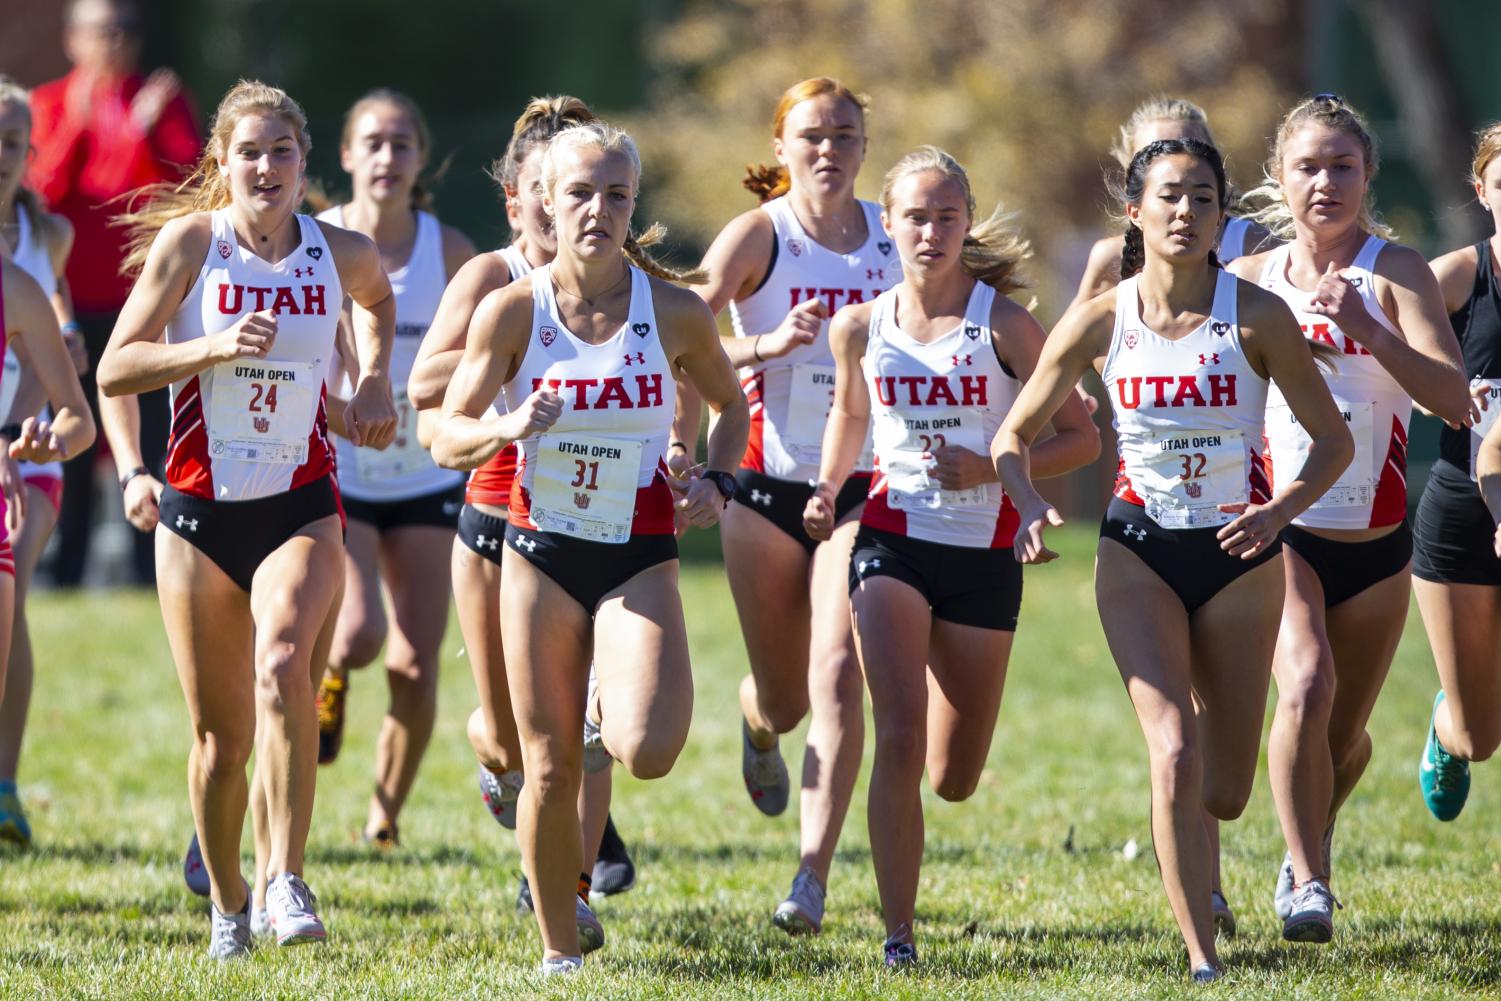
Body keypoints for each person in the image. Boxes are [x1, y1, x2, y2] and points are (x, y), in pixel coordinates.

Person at [994, 138, 1352, 981]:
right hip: (1137, 549)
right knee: (1173, 751)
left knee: (1222, 789)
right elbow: (1012, 435)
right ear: (1134, 211)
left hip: (1240, 553)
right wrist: (1029, 505)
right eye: (1167, 196)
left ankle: (1219, 862)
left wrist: (1279, 510)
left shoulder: (1256, 316)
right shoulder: (1100, 317)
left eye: (1201, 197)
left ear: (1222, 214)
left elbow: (1332, 443)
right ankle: (1201, 959)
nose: (1184, 212)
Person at [431, 120, 748, 975]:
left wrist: (716, 483)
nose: (597, 210)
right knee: (546, 766)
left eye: (616, 195)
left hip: (637, 548)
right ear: (544, 201)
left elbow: (731, 407)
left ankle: (607, 706)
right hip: (537, 551)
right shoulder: (511, 310)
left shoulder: (672, 308)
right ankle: (559, 953)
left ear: (633, 205)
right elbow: (443, 430)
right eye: (579, 192)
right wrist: (505, 424)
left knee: (646, 748)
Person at [97, 80, 397, 958]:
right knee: (220, 743)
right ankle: (229, 895)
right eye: (249, 153)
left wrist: (373, 377)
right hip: (198, 510)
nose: (267, 167)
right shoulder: (195, 243)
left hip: (301, 501)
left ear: (307, 161)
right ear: (222, 164)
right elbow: (117, 367)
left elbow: (376, 302)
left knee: (283, 665)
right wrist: (212, 347)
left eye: (282, 151)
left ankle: (284, 876)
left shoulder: (338, 251)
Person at [804, 147, 1098, 965]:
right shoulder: (859, 325)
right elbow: (851, 419)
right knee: (895, 731)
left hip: (983, 554)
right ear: (886, 224)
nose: (929, 231)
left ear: (966, 222)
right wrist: (830, 488)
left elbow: (1080, 436)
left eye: (945, 215)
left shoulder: (1002, 323)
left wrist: (994, 467)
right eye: (913, 216)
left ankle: (939, 789)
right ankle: (898, 934)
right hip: (890, 541)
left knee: (953, 775)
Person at [1233, 94, 1468, 941]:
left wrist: (1369, 329)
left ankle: (1310, 828)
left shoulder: (1394, 270)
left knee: (1342, 742)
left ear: (1367, 174)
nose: (1324, 181)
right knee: (1301, 683)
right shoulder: (1251, 281)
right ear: (1278, 176)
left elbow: (1452, 399)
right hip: (1279, 529)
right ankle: (1307, 879)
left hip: (1376, 544)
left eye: (1341, 165)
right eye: (1307, 165)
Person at [406, 95, 637, 904]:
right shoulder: (492, 279)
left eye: (572, 188)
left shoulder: (622, 281)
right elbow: (423, 384)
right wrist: (507, 359)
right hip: (495, 516)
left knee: (590, 728)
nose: (559, 206)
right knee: (513, 736)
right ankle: (490, 757)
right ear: (523, 198)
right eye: (544, 189)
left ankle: (571, 880)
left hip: (595, 516)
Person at [689, 76, 899, 933]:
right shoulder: (758, 235)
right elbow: (675, 335)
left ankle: (809, 875)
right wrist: (765, 344)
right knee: (787, 697)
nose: (827, 149)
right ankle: (757, 717)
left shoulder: (898, 233)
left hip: (863, 486)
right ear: (780, 147)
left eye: (844, 134)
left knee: (838, 669)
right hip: (762, 483)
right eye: (810, 135)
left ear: (862, 144)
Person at [306, 89, 474, 854]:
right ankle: (333, 681)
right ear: (346, 156)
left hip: (427, 473)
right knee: (362, 632)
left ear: (420, 158)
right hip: (339, 464)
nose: (386, 157)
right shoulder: (318, 239)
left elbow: (489, 355)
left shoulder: (452, 253)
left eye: (401, 143)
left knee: (414, 659)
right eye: (371, 142)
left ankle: (383, 815)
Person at [26, 0, 200, 586]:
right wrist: (82, 124)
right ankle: (66, 563)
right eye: (104, 31)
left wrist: (145, 130)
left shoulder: (161, 100)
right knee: (71, 423)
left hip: (143, 298)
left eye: (127, 31)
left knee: (152, 429)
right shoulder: (49, 104)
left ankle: (146, 562)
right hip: (68, 299)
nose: (116, 43)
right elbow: (40, 194)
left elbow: (185, 190)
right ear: (74, 40)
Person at [0, 75, 90, 846]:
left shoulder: (46, 238)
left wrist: (14, 425)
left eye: (11, 143)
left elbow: (54, 340)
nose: (0, 155)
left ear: (31, 153)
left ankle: (5, 781)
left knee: (13, 585)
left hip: (29, 445)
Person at [1411, 123, 1501, 823]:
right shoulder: (1455, 276)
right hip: (1461, 511)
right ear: (1481, 191)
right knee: (1478, 736)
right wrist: (1437, 390)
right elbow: (1400, 358)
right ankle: (1448, 723)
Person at [0, 257, 98, 829]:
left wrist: (29, 440)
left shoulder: (23, 279)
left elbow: (77, 417)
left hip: (20, 473)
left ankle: (6, 783)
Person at [1071, 97, 1271, 311]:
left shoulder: (1254, 245)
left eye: (1189, 148)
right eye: (1155, 153)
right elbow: (1065, 337)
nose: (1175, 163)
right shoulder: (1112, 258)